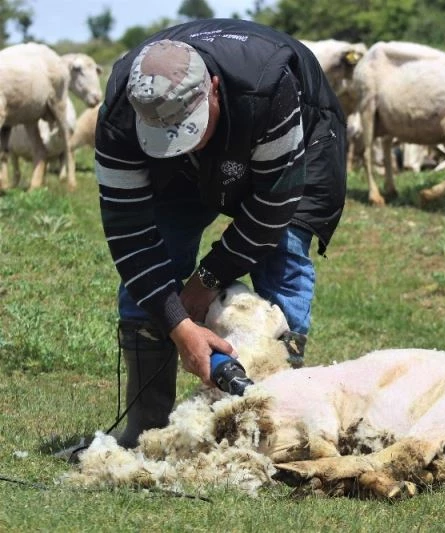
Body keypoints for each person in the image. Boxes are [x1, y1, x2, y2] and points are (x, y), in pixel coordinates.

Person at [95, 19, 347, 448]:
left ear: (212, 87)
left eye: (189, 128)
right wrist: (178, 323)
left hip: (286, 141)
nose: (183, 143)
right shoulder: (122, 113)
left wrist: (204, 282)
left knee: (281, 257)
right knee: (161, 245)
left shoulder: (266, 88)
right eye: (164, 135)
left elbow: (272, 207)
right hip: (177, 176)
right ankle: (147, 428)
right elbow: (130, 235)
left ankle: (268, 424)